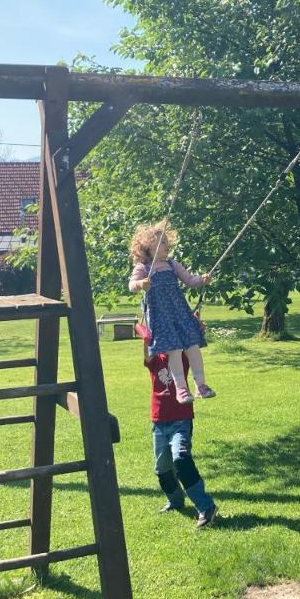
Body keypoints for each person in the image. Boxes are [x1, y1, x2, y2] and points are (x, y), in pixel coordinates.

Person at [129, 220, 214, 404]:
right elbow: (131, 286)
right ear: (148, 248)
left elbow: (190, 280)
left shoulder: (172, 264)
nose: (167, 247)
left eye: (167, 243)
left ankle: (201, 386)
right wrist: (141, 284)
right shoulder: (142, 268)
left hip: (179, 312)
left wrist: (202, 280)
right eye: (162, 244)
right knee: (174, 350)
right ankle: (181, 390)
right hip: (161, 317)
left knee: (192, 346)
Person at [146, 345, 218, 527]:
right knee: (162, 469)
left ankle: (206, 506)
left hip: (181, 420)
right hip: (159, 422)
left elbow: (192, 349)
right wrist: (146, 333)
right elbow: (147, 345)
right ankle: (175, 500)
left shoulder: (180, 354)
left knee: (181, 458)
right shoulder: (154, 358)